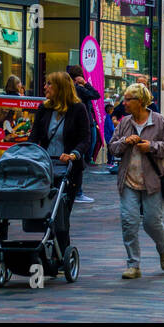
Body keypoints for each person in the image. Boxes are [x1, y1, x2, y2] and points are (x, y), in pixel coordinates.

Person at [108, 82, 164, 278]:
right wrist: (124, 142)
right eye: (125, 99)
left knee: (151, 222)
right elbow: (112, 147)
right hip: (128, 180)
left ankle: (163, 250)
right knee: (128, 222)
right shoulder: (125, 123)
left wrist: (152, 147)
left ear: (140, 102)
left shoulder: (158, 121)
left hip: (152, 182)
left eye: (129, 99)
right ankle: (133, 265)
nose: (124, 103)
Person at [28, 72, 92, 251]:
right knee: (45, 213)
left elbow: (85, 138)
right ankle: (49, 248)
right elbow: (35, 135)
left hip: (68, 170)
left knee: (61, 213)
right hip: (45, 168)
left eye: (49, 84)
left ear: (60, 88)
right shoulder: (44, 108)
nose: (45, 87)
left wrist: (74, 154)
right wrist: (29, 151)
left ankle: (62, 250)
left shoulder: (78, 109)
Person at [65, 65, 100, 203]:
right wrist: (85, 83)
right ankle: (77, 192)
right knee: (83, 155)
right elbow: (96, 95)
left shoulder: (71, 90)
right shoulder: (79, 89)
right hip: (85, 124)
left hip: (76, 125)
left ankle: (73, 190)